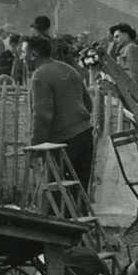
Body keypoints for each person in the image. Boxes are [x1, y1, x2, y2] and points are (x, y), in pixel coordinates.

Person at [23, 35, 94, 192]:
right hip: (86, 134)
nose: (22, 58)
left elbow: (42, 116)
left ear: (34, 54)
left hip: (66, 143)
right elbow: (88, 104)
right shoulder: (68, 68)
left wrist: (35, 148)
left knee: (58, 197)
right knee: (79, 194)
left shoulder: (40, 75)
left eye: (24, 53)